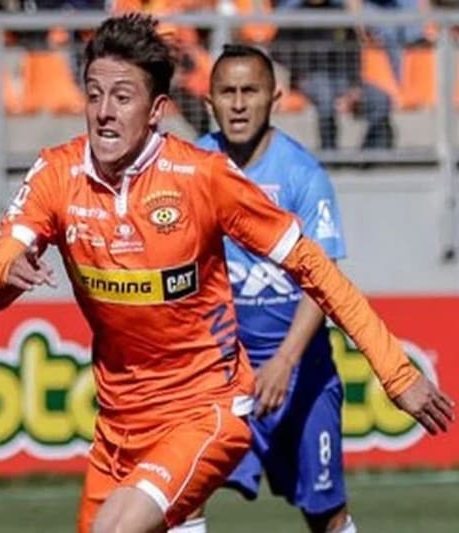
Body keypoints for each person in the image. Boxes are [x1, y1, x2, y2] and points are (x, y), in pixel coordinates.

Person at [0, 14, 453, 533]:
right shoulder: (56, 175)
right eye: (94, 95)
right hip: (119, 429)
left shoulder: (204, 177)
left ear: (157, 110)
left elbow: (316, 267)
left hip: (208, 408)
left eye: (123, 97)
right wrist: (5, 273)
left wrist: (397, 373)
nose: (105, 113)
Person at [179, 43, 353, 533]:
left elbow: (325, 283)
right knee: (184, 494)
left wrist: (284, 361)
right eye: (227, 92)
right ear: (209, 101)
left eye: (249, 91)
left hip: (299, 373)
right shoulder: (191, 170)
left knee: (325, 513)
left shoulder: (302, 176)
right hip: (220, 375)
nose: (238, 104)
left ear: (274, 97)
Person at [270, 0, 394, 150]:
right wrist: (299, 74)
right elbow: (279, 51)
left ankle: (369, 153)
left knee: (381, 98)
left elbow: (353, 52)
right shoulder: (295, 16)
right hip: (311, 78)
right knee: (325, 94)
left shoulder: (340, 13)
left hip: (344, 79)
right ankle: (330, 152)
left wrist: (354, 88)